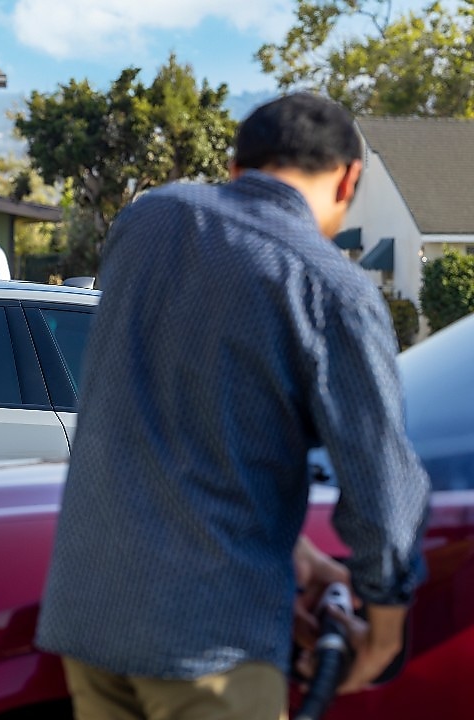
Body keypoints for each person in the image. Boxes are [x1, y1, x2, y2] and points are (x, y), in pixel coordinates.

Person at [35, 92, 431, 719]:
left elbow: (178, 424)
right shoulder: (331, 286)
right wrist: (383, 632)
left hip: (90, 615)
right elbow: (380, 481)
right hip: (211, 638)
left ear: (235, 167)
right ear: (350, 176)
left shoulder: (146, 224)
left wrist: (297, 556)